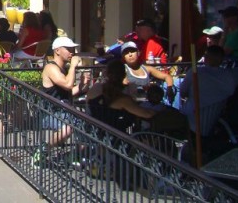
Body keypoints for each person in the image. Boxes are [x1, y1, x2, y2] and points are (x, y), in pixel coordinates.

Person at [35, 36, 89, 164]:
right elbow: (67, 84)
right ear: (57, 50)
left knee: (87, 125)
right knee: (68, 129)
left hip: (64, 110)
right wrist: (73, 67)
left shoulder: (63, 69)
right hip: (49, 112)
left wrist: (82, 85)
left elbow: (69, 92)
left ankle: (73, 155)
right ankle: (43, 150)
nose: (72, 52)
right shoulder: (51, 68)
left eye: (73, 49)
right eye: (69, 49)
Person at [179, 45, 238, 133]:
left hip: (190, 119)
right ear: (222, 59)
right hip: (214, 118)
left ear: (206, 58)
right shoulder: (230, 75)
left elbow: (183, 92)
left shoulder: (195, 73)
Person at [87, 59, 155, 133]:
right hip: (114, 139)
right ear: (124, 75)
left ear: (106, 73)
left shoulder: (95, 88)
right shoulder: (123, 100)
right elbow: (146, 114)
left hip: (93, 134)